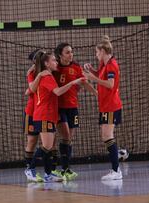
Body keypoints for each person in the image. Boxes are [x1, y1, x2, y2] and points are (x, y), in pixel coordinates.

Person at [32, 52, 85, 182]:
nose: (56, 62)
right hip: (44, 114)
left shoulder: (47, 76)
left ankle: (48, 174)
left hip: (49, 114)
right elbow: (58, 91)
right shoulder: (47, 77)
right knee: (46, 146)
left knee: (48, 146)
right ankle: (30, 167)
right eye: (54, 60)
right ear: (46, 63)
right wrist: (73, 82)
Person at [53, 43, 97, 180]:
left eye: (71, 52)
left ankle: (66, 169)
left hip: (73, 107)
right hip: (59, 107)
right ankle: (56, 168)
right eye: (67, 52)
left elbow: (83, 83)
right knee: (64, 135)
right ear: (60, 55)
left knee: (69, 138)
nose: (71, 54)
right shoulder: (55, 68)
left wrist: (97, 94)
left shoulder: (75, 67)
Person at [83, 36, 123, 180]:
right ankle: (117, 159)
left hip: (111, 105)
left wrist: (93, 79)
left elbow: (110, 84)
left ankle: (116, 170)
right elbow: (102, 77)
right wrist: (92, 71)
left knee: (107, 135)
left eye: (97, 52)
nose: (96, 55)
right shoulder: (104, 64)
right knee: (106, 136)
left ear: (104, 51)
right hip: (105, 105)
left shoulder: (112, 64)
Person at [23, 49, 49, 182]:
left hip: (45, 111)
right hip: (32, 111)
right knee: (32, 141)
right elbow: (31, 89)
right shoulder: (32, 73)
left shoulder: (49, 71)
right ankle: (29, 168)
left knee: (48, 142)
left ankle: (48, 171)